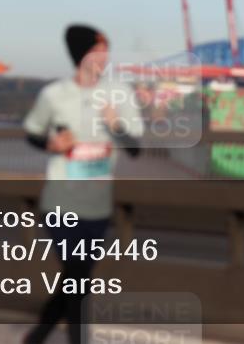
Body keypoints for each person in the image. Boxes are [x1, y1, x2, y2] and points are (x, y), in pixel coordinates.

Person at [22, 24, 143, 344]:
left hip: (98, 205)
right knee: (77, 279)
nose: (104, 56)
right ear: (80, 54)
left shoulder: (120, 93)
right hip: (60, 202)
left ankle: (38, 335)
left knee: (77, 280)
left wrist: (115, 124)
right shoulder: (54, 94)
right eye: (97, 49)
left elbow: (135, 148)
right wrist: (52, 144)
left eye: (106, 49)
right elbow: (33, 132)